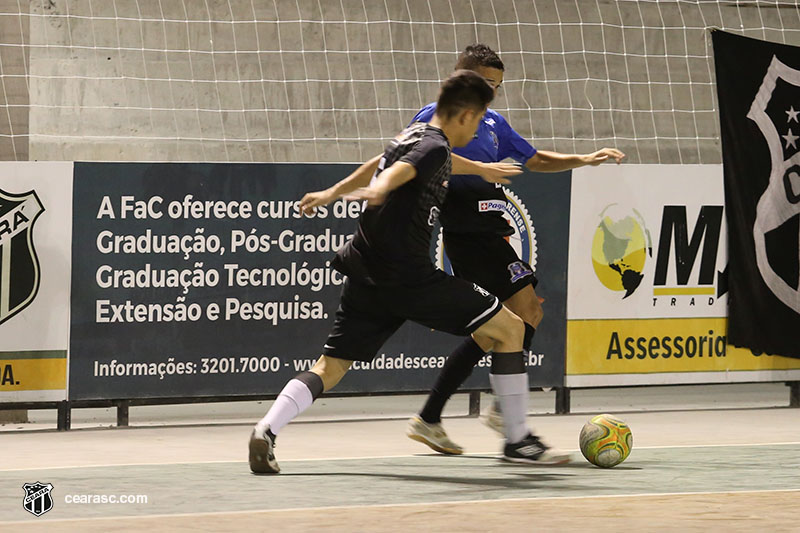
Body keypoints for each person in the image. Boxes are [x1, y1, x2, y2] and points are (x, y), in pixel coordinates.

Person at [301, 44, 625, 463]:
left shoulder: (494, 122)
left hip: (490, 225)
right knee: (517, 315)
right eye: (488, 83)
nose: (493, 91)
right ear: (464, 77)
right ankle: (507, 416)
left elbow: (535, 159)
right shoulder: (435, 116)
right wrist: (351, 190)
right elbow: (412, 156)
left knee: (513, 319)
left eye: (498, 86)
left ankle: (452, 412)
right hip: (465, 225)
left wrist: (584, 158)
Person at [250, 70, 543, 474]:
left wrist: (333, 192)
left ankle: (267, 429)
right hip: (409, 278)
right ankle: (517, 440)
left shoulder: (413, 136)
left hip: (365, 273)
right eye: (477, 122)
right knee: (510, 329)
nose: (476, 130)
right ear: (465, 116)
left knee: (329, 367)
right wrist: (382, 186)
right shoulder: (434, 148)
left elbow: (384, 161)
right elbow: (398, 170)